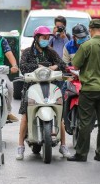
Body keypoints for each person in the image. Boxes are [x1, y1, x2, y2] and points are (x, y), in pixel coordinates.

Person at [67, 19, 100, 162]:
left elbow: (76, 66)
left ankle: (81, 154)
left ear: (90, 30)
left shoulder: (86, 46)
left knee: (85, 122)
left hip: (89, 89)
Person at [16, 26, 70, 160]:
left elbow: (63, 65)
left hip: (50, 86)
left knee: (60, 117)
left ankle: (63, 145)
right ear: (36, 38)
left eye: (47, 38)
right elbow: (22, 67)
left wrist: (55, 66)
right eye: (43, 38)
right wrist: (37, 67)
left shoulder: (50, 52)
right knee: (25, 117)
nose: (45, 40)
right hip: (31, 87)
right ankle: (20, 146)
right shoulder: (28, 52)